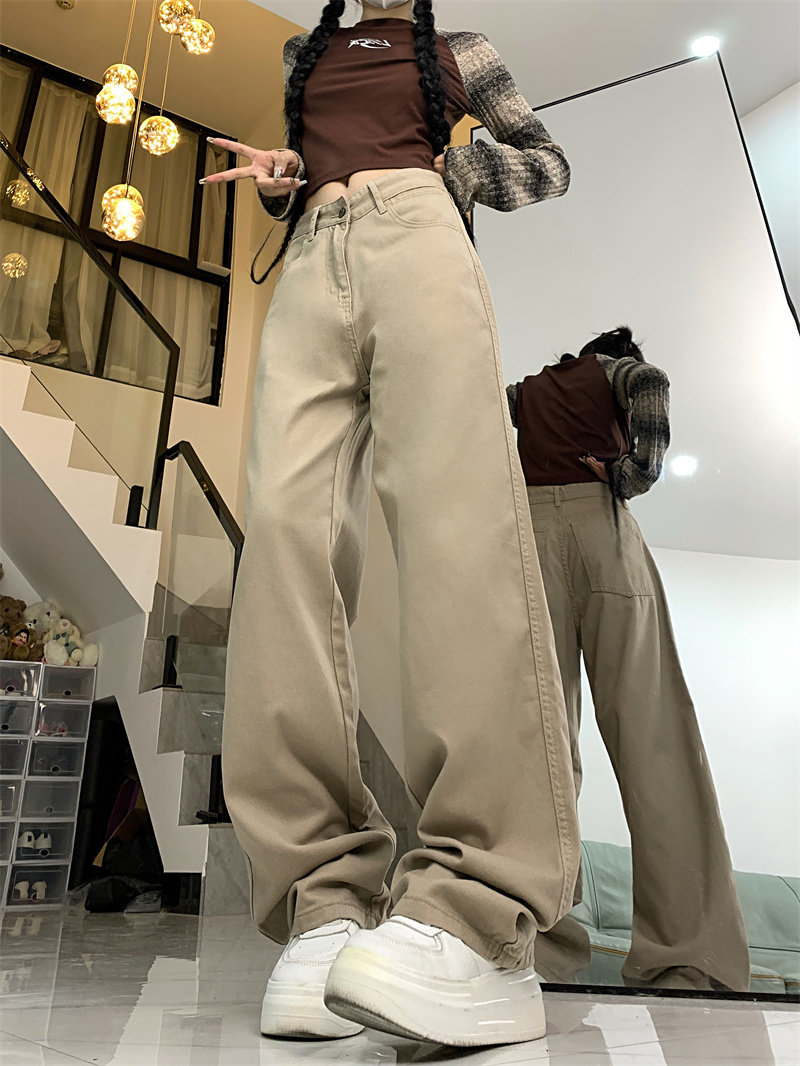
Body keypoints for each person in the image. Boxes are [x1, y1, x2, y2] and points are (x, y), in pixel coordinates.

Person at [205, 0, 581, 1049]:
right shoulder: (306, 50)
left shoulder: (461, 51)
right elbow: (312, 166)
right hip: (310, 259)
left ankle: (482, 918)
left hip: (419, 237)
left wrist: (456, 172)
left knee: (459, 533)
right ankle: (322, 900)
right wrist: (285, 182)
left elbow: (547, 164)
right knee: (282, 547)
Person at [507, 326, 750, 992]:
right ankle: (686, 960)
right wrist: (633, 473)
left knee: (540, 746)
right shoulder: (614, 370)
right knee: (655, 740)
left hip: (530, 542)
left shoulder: (526, 392)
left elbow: (481, 421)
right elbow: (652, 384)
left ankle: (534, 949)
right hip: (601, 529)